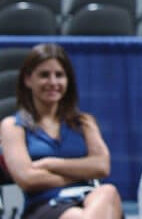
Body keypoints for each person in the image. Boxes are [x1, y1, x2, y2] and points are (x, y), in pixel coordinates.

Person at [0, 43, 122, 219]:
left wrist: (51, 164)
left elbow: (102, 166)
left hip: (88, 198)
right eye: (44, 75)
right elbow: (27, 179)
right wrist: (81, 171)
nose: (53, 82)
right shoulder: (13, 126)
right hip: (44, 205)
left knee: (108, 191)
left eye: (59, 75)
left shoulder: (84, 122)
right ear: (28, 79)